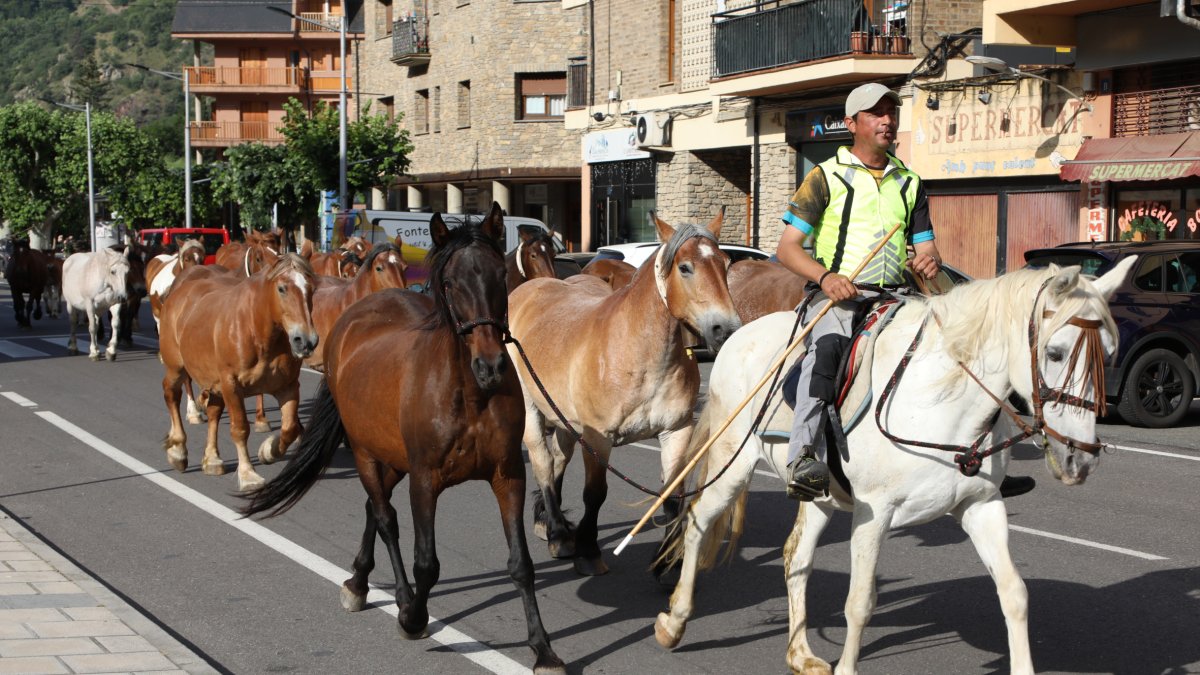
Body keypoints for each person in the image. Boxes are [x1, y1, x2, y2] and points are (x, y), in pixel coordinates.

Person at [776, 82, 1035, 501]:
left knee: (964, 345)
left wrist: (928, 260)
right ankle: (804, 456)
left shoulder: (909, 182)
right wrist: (826, 279)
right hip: (837, 296)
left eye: (890, 112)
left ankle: (990, 459)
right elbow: (787, 249)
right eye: (875, 113)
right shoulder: (824, 177)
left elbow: (926, 246)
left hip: (895, 295)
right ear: (851, 124)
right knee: (825, 355)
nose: (886, 120)